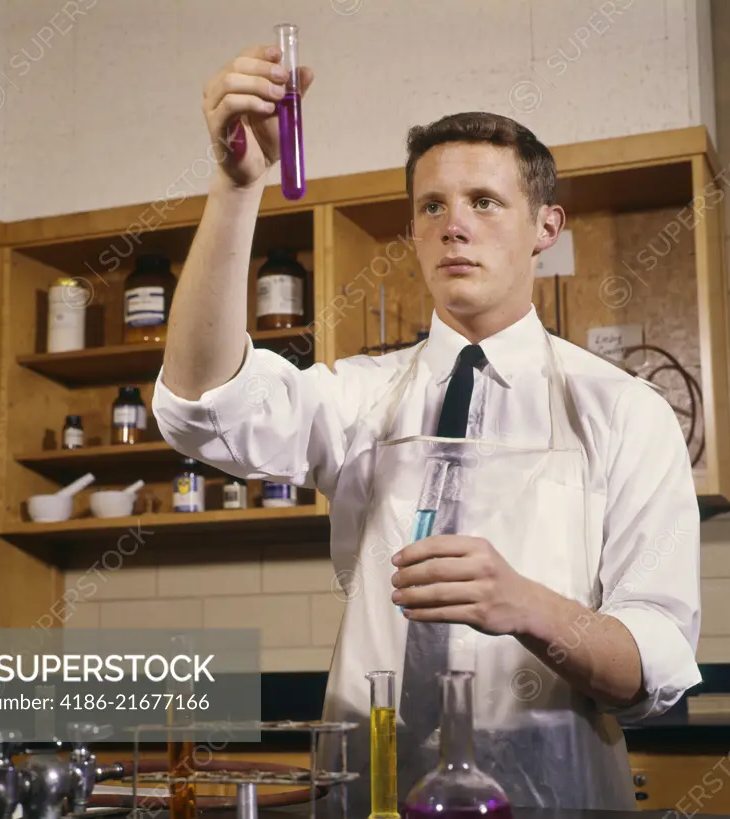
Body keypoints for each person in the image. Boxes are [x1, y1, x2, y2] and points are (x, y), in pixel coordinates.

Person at [152, 44, 702, 812]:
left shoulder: (621, 409)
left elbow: (656, 662)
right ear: (411, 229)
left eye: (484, 201)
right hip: (365, 790)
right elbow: (202, 404)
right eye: (432, 206)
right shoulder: (361, 396)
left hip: (558, 795)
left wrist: (528, 606)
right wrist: (237, 187)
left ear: (546, 225)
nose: (454, 227)